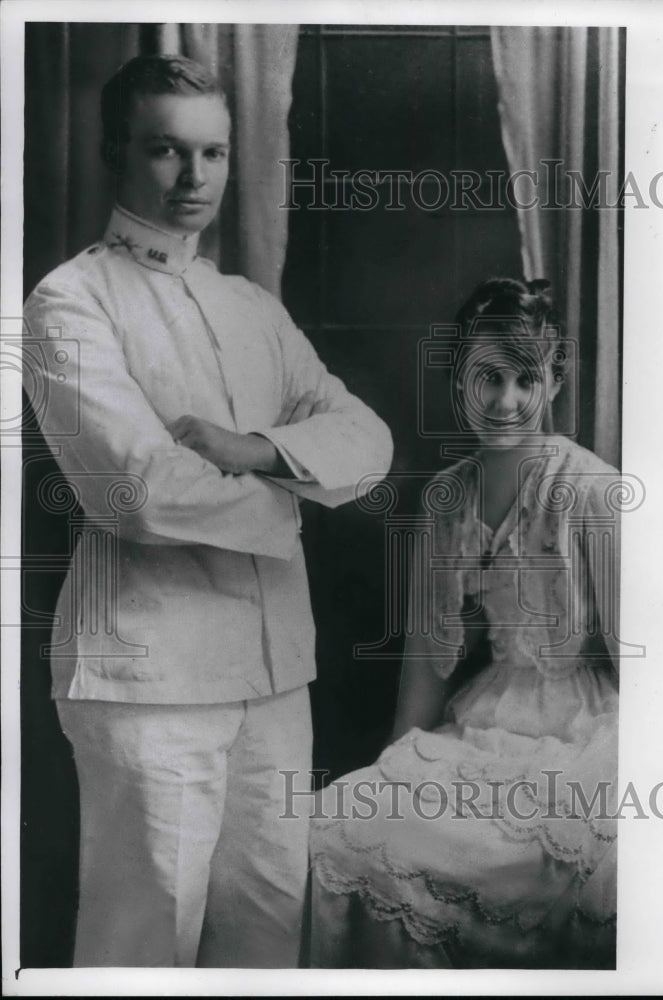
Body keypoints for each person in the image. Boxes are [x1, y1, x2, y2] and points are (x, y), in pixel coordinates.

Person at [22, 54, 393, 968]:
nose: (195, 179)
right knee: (144, 944)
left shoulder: (250, 307)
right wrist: (302, 494)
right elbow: (142, 493)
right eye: (167, 151)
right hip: (149, 677)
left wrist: (260, 452)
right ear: (118, 153)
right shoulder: (69, 303)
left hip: (274, 672)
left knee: (269, 935)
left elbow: (370, 437)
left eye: (215, 154)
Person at [307, 277, 620, 968]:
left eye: (524, 378)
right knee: (337, 825)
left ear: (554, 382)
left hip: (588, 734)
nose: (506, 401)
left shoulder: (594, 493)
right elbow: (427, 653)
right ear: (460, 384)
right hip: (484, 724)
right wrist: (392, 764)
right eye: (488, 379)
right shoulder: (448, 498)